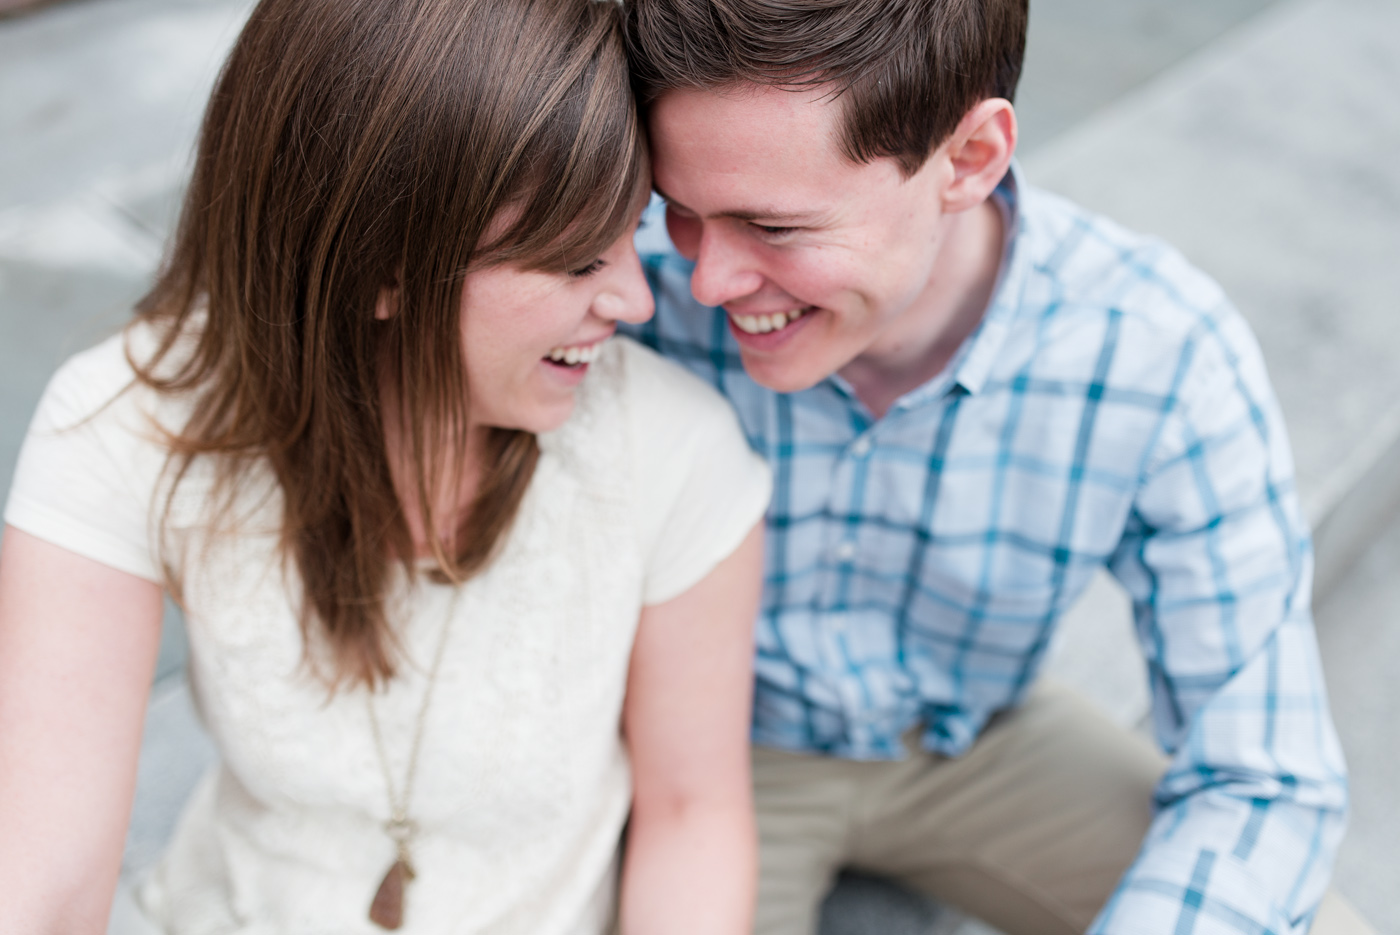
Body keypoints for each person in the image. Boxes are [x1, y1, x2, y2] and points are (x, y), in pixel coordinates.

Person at [0, 0, 773, 931]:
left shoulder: (676, 449)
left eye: (632, 232)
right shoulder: (125, 423)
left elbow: (693, 813)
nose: (639, 301)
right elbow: (38, 873)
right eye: (575, 261)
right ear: (381, 268)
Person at [619, 1, 1371, 933]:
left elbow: (1262, 775)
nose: (705, 280)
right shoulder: (623, 290)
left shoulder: (1160, 354)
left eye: (774, 228)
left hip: (974, 743)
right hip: (696, 752)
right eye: (680, 210)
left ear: (970, 159)